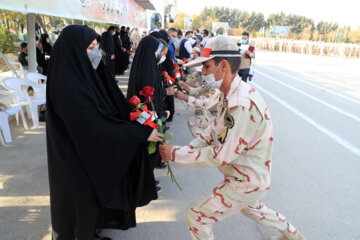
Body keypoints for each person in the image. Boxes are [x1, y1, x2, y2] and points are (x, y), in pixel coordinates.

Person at [159, 36, 306, 240]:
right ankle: (293, 236)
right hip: (248, 175)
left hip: (246, 180)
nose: (202, 73)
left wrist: (176, 154)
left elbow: (221, 154)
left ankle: (293, 236)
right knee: (251, 208)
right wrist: (186, 149)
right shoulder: (227, 93)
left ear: (224, 66)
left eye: (206, 67)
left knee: (196, 216)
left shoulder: (241, 103)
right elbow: (213, 132)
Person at [46, 25, 162, 240]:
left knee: (91, 201)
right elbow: (93, 123)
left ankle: (89, 234)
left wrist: (136, 115)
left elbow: (109, 102)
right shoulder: (67, 84)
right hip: (75, 154)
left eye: (96, 46)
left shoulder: (85, 74)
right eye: (89, 48)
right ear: (74, 50)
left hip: (86, 148)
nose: (96, 53)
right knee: (83, 201)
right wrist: (138, 133)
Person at [127, 35, 171, 186]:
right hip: (148, 117)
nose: (160, 56)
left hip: (148, 116)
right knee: (147, 152)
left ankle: (146, 181)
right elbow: (149, 99)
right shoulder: (147, 71)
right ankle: (145, 183)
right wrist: (160, 115)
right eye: (159, 52)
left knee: (149, 152)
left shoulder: (147, 66)